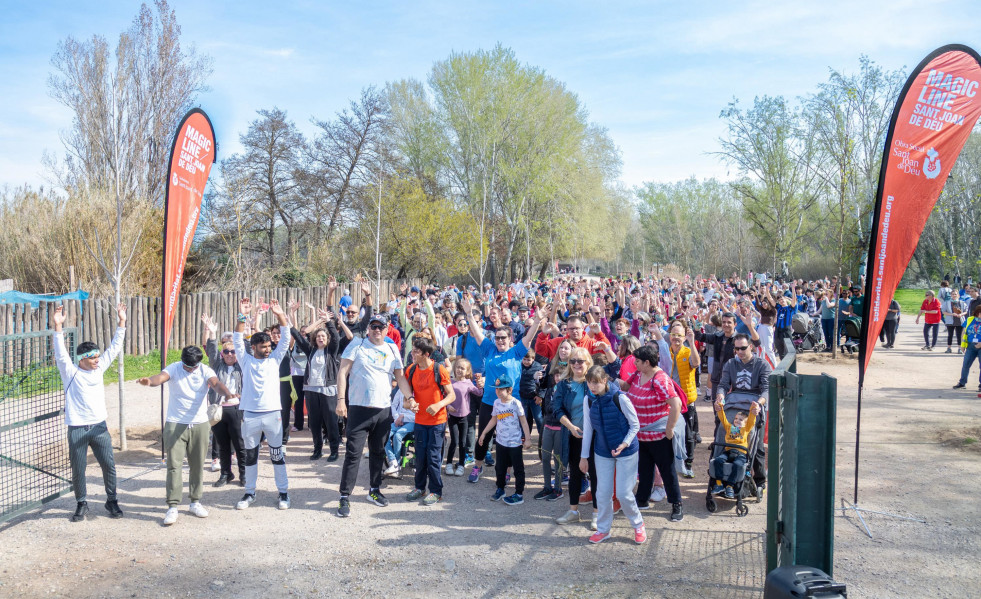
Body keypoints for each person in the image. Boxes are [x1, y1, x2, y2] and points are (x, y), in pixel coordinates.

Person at [137, 346, 237, 525]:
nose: (190, 370)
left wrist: (228, 393)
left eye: (193, 367)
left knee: (197, 465)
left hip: (199, 423)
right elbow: (160, 378)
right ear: (182, 361)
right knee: (174, 466)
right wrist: (149, 382)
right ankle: (172, 506)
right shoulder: (174, 368)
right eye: (187, 366)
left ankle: (195, 502)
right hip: (175, 423)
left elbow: (216, 384)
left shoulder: (205, 370)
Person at [52, 303, 127, 522]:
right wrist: (57, 326)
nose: (97, 360)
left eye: (97, 357)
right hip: (76, 428)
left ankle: (111, 500)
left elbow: (115, 347)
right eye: (93, 358)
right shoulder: (70, 372)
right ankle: (81, 503)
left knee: (109, 466)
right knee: (78, 469)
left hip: (99, 427)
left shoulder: (99, 368)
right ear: (82, 359)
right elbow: (60, 352)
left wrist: (122, 321)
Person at [335, 314, 416, 517]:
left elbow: (400, 377)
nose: (377, 330)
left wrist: (410, 397)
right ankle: (344, 497)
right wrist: (340, 401)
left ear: (387, 329)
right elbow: (342, 372)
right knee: (353, 455)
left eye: (381, 326)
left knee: (378, 452)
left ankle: (374, 490)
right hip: (359, 409)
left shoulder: (391, 349)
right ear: (369, 328)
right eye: (374, 326)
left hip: (383, 410)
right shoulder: (357, 344)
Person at [460, 295, 544, 484]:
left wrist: (537, 320)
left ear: (510, 339)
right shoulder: (490, 349)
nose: (499, 340)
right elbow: (477, 333)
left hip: (511, 403)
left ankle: (506, 470)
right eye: (497, 337)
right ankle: (478, 466)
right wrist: (469, 314)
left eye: (503, 337)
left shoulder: (517, 352)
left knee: (509, 439)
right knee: (484, 434)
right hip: (489, 401)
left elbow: (530, 336)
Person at [233, 298, 293, 511]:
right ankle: (250, 492)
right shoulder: (246, 360)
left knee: (277, 456)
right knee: (250, 456)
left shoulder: (275, 360)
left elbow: (285, 339)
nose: (268, 349)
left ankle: (283, 493)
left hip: (273, 416)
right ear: (254, 347)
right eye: (264, 347)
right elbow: (237, 339)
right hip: (250, 415)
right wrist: (242, 315)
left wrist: (279, 315)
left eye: (269, 346)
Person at [617, 344, 684, 523]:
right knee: (644, 468)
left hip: (659, 435)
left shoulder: (660, 379)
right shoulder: (639, 374)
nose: (634, 363)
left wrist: (669, 429)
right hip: (641, 435)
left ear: (647, 362)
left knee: (667, 470)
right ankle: (642, 499)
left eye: (637, 361)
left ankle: (676, 503)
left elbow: (675, 404)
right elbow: (625, 387)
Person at [580, 366, 646, 545]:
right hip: (602, 451)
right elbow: (588, 429)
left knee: (624, 493)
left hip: (626, 450)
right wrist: (584, 456)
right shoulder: (588, 400)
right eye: (589, 382)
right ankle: (603, 529)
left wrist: (624, 444)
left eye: (595, 382)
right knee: (602, 493)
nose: (592, 386)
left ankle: (638, 524)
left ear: (604, 381)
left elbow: (635, 425)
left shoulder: (620, 398)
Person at [290, 307, 348, 462]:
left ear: (326, 339)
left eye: (323, 336)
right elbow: (297, 334)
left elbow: (335, 336)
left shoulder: (331, 350)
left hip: (328, 390)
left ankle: (334, 450)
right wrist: (288, 316)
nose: (321, 338)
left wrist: (328, 321)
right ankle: (317, 449)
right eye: (318, 336)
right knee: (314, 422)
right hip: (311, 390)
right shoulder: (311, 350)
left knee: (331, 421)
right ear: (315, 339)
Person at [715, 333, 772, 490]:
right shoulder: (731, 364)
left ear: (751, 347)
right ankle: (720, 476)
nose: (740, 351)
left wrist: (759, 404)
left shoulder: (761, 364)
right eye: (737, 348)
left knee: (756, 444)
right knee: (721, 433)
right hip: (734, 404)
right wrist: (720, 396)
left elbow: (766, 389)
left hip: (754, 404)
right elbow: (723, 384)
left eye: (743, 348)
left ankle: (759, 481)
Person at [404, 337, 453, 506]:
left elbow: (452, 395)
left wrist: (439, 404)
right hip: (420, 422)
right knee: (420, 457)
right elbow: (405, 400)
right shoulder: (410, 370)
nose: (412, 354)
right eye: (412, 350)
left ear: (426, 354)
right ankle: (419, 488)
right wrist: (411, 404)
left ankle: (436, 491)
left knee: (433, 457)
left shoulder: (440, 370)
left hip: (438, 421)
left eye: (416, 351)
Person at [201, 318, 245, 487]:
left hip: (236, 408)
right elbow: (211, 351)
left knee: (239, 443)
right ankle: (226, 474)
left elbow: (245, 348)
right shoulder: (216, 365)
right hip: (217, 408)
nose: (229, 355)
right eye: (226, 352)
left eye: (233, 352)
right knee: (222, 443)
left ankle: (243, 474)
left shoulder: (241, 366)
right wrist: (212, 333)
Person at [478, 374, 531, 505]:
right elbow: (494, 419)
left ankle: (519, 493)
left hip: (514, 443)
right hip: (501, 442)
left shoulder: (515, 403)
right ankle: (500, 489)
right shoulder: (496, 403)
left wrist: (528, 439)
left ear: (509, 390)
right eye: (496, 389)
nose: (498, 392)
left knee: (518, 469)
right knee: (499, 467)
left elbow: (524, 422)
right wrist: (484, 433)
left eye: (501, 389)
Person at [667, 320, 699, 478]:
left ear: (684, 337)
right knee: (670, 431)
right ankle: (673, 461)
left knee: (688, 434)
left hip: (686, 401)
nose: (676, 338)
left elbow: (696, 363)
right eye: (673, 334)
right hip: (670, 401)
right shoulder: (666, 352)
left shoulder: (688, 351)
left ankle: (688, 463)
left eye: (679, 335)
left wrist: (692, 343)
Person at [710, 401, 760, 499]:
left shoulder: (745, 429)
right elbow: (723, 419)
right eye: (736, 418)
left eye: (740, 419)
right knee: (718, 460)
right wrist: (720, 407)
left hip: (740, 453)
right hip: (728, 451)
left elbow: (751, 420)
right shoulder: (729, 427)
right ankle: (719, 483)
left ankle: (730, 486)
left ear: (745, 423)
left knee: (738, 465)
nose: (737, 420)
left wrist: (752, 410)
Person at [445, 359, 480, 476]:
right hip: (452, 416)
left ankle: (461, 465)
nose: (460, 370)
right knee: (454, 441)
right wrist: (448, 406)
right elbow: (444, 396)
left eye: (463, 368)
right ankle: (449, 463)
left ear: (467, 371)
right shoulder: (450, 382)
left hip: (464, 416)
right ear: (454, 368)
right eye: (458, 367)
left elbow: (479, 393)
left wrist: (480, 383)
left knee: (463, 442)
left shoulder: (468, 383)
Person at [953, 304, 981, 393]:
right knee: (966, 365)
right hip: (970, 345)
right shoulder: (970, 319)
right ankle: (962, 383)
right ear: (977, 312)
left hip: (980, 345)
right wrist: (962, 345)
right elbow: (964, 332)